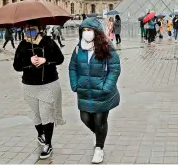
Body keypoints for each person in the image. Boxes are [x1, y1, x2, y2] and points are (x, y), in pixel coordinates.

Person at [69, 18, 121, 164]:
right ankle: (99, 135)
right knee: (85, 118)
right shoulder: (78, 48)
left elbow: (115, 68)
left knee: (100, 120)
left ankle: (99, 148)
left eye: (89, 30)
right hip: (84, 92)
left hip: (102, 92)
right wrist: (75, 84)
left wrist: (107, 87)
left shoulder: (106, 47)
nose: (86, 33)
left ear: (96, 32)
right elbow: (72, 67)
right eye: (84, 30)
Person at [13, 23, 65, 159]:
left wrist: (45, 60)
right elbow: (16, 66)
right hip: (30, 86)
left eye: (32, 29)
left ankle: (48, 144)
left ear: (39, 30)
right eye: (27, 30)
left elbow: (60, 59)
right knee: (37, 114)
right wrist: (29, 61)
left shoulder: (49, 42)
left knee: (46, 113)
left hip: (49, 84)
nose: (29, 32)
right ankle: (41, 134)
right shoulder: (23, 45)